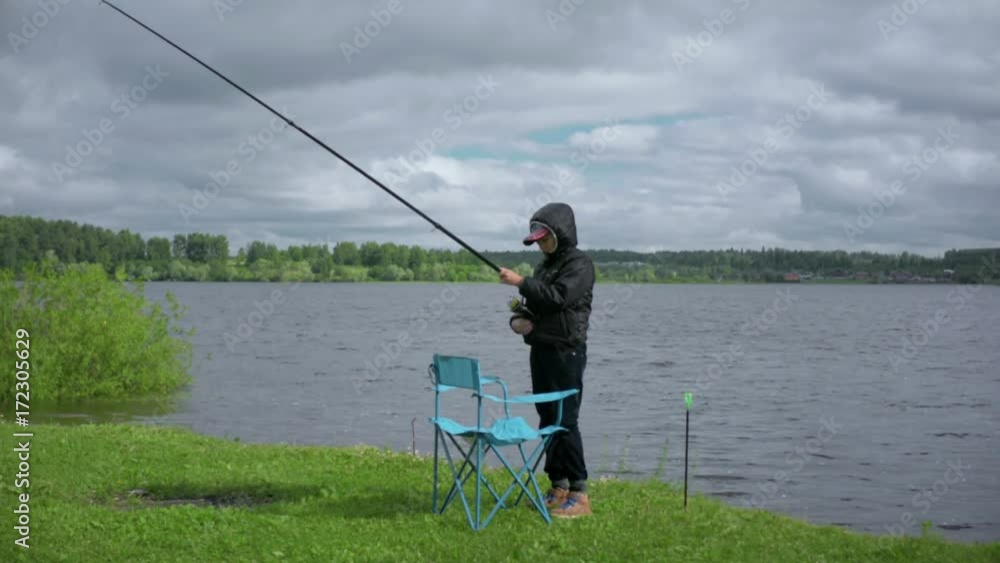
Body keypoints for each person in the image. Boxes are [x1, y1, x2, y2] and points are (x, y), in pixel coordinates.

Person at [498, 202, 595, 518]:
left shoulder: (580, 265)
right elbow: (535, 306)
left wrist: (520, 281)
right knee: (547, 417)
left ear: (561, 233)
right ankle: (558, 485)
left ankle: (579, 494)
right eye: (537, 240)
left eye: (544, 238)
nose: (540, 244)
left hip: (567, 352)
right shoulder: (544, 267)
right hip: (540, 349)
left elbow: (558, 298)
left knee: (566, 420)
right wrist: (519, 323)